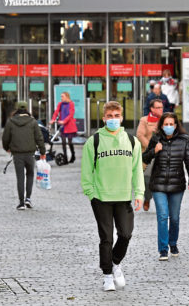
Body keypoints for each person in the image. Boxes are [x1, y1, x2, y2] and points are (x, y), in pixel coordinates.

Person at [81, 101, 143, 291]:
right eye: (110, 116)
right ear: (104, 118)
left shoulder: (132, 141)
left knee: (125, 234)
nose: (113, 119)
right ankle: (107, 275)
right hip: (101, 197)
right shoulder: (94, 141)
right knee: (106, 238)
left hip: (123, 197)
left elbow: (137, 170)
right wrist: (91, 193)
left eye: (117, 116)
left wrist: (139, 193)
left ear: (122, 118)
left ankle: (116, 262)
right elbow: (86, 171)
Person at [143, 112, 189, 261]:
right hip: (158, 184)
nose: (168, 127)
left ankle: (173, 243)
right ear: (161, 126)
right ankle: (163, 249)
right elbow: (144, 157)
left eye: (171, 124)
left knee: (174, 218)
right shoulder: (156, 139)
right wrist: (154, 151)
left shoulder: (183, 140)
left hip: (176, 185)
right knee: (162, 216)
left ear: (175, 125)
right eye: (165, 124)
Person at [2, 101, 46, 210]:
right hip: (30, 153)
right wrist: (43, 152)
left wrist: (7, 148)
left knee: (20, 177)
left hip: (17, 154)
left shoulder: (11, 122)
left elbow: (5, 137)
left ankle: (21, 203)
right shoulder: (33, 121)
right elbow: (39, 138)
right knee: (30, 175)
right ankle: (28, 198)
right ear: (27, 109)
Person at [136, 98, 164, 211]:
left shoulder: (166, 119)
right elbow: (140, 135)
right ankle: (147, 198)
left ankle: (161, 202)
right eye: (158, 107)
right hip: (149, 155)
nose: (160, 110)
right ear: (152, 109)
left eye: (161, 107)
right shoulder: (144, 120)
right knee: (146, 178)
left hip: (163, 155)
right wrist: (151, 149)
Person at [50, 92, 78, 164]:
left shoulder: (71, 104)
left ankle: (73, 156)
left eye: (62, 96)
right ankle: (65, 158)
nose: (61, 98)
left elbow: (71, 114)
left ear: (67, 97)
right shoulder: (60, 104)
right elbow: (56, 112)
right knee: (63, 142)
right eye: (61, 96)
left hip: (69, 125)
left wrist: (64, 121)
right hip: (63, 126)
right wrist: (53, 119)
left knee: (69, 142)